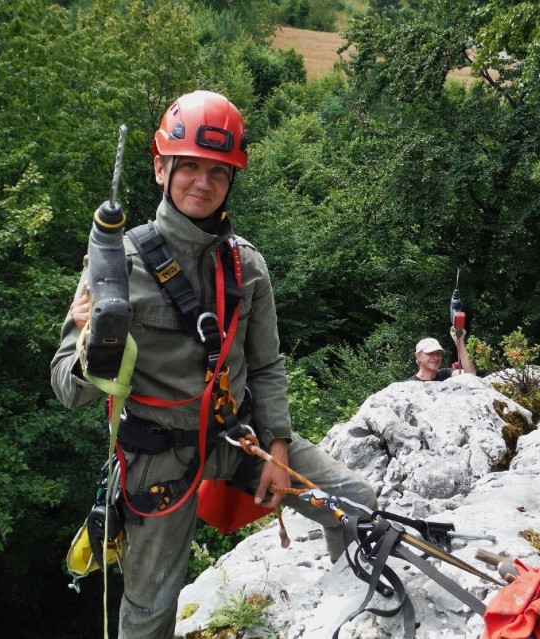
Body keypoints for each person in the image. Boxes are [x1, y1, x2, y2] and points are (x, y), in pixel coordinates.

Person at [51, 90, 376, 639]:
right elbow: (67, 388)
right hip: (159, 459)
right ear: (161, 168)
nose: (202, 182)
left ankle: (351, 615)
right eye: (190, 168)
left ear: (230, 181)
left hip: (237, 437)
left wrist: (276, 449)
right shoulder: (114, 267)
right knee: (151, 607)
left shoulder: (246, 266)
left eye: (218, 172)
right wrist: (95, 346)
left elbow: (267, 365)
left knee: (356, 504)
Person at [409, 329, 476, 381]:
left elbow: (470, 374)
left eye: (438, 353)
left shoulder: (446, 374)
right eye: (430, 353)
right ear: (418, 356)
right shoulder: (410, 385)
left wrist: (459, 341)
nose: (436, 357)